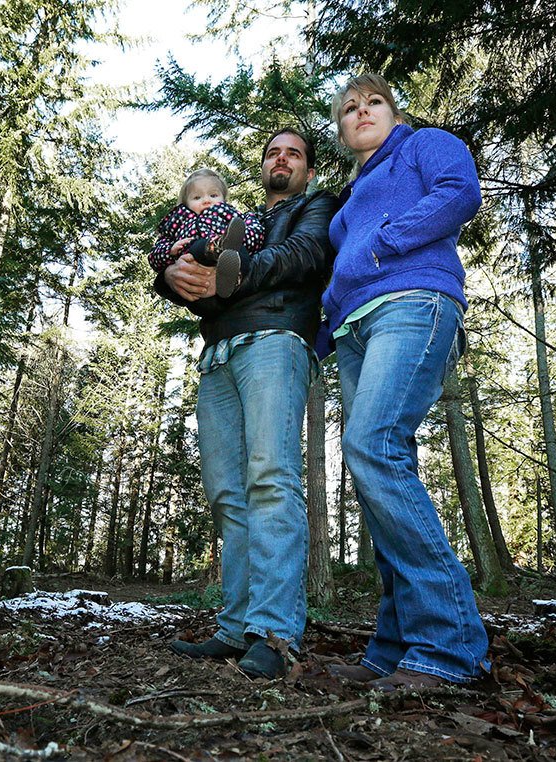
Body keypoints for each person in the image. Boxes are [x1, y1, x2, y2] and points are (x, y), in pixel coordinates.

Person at [322, 73, 490, 692]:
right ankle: (393, 647)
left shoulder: (425, 145)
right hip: (355, 330)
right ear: (341, 130)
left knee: (374, 446)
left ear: (394, 114)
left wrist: (384, 243)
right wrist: (325, 329)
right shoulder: (348, 199)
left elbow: (458, 193)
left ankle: (451, 648)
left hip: (414, 302)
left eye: (374, 102)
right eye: (349, 109)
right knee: (374, 476)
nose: (362, 112)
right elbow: (339, 272)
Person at [160, 129, 337, 679]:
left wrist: (229, 274)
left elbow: (306, 256)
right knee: (227, 494)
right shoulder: (225, 221)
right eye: (271, 153)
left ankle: (276, 633)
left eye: (294, 153)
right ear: (262, 166)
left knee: (270, 479)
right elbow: (187, 274)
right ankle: (236, 627)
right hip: (218, 353)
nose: (281, 160)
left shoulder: (316, 206)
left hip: (276, 339)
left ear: (307, 168)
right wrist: (172, 276)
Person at [148, 168, 266, 298]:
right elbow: (154, 256)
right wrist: (169, 251)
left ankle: (230, 280)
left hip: (227, 272)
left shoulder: (231, 215)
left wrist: (242, 239)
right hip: (194, 270)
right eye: (197, 197)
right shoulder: (177, 223)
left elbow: (256, 232)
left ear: (224, 198)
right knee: (198, 245)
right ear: (186, 204)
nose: (206, 200)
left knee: (240, 253)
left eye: (213, 195)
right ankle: (215, 247)